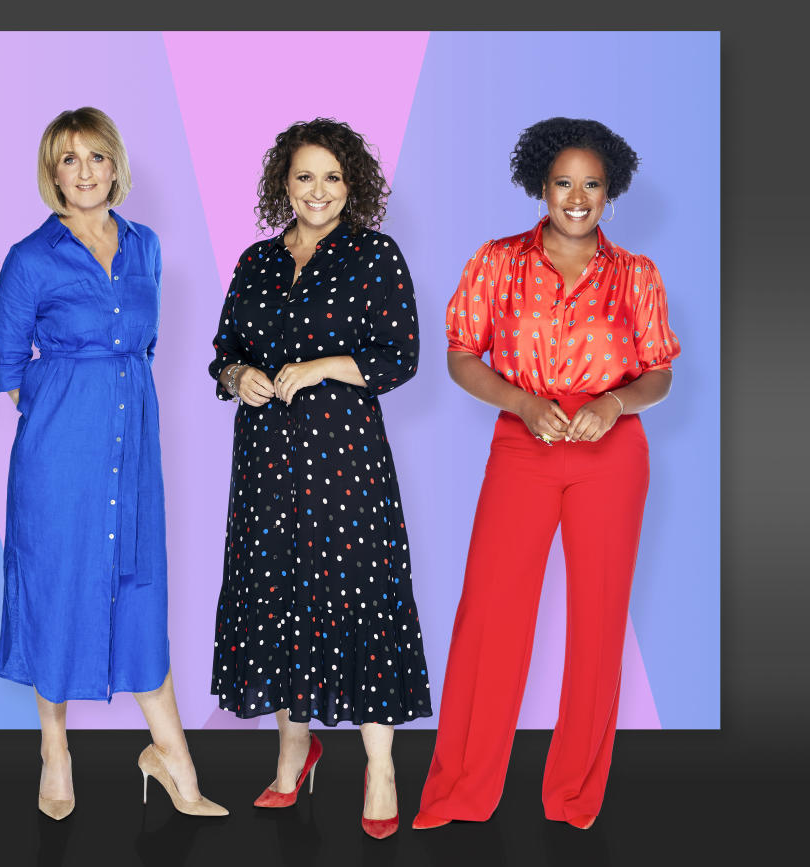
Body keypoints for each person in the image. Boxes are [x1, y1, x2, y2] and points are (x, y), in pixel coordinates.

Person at [412, 117, 680, 831]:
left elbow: (659, 372)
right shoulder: (496, 261)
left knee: (596, 625)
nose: (577, 196)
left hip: (611, 454)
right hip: (522, 444)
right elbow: (462, 353)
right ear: (541, 185)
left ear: (610, 192)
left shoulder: (637, 275)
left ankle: (573, 796)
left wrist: (616, 401)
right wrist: (522, 402)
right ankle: (461, 791)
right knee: (490, 617)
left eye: (592, 184)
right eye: (564, 181)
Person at [0, 106, 226, 821]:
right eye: (69, 159)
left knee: (141, 590)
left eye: (96, 156)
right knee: (59, 585)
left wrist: (109, 397)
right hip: (60, 457)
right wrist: (72, 401)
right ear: (52, 173)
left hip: (136, 449)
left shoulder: (147, 246)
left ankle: (172, 756)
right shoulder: (31, 258)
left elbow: (145, 346)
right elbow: (8, 367)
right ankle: (54, 749)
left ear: (116, 166)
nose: (85, 171)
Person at [208, 118, 432, 839]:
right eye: (305, 176)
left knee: (358, 594)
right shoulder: (256, 262)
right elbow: (225, 350)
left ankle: (381, 765)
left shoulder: (374, 255)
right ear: (284, 184)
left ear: (352, 186)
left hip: (345, 463)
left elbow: (400, 356)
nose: (319, 190)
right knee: (276, 592)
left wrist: (323, 366)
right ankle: (293, 751)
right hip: (268, 462)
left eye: (333, 177)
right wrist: (239, 374)